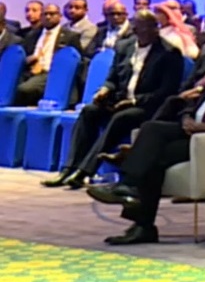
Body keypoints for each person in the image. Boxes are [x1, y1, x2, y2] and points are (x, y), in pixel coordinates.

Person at [87, 27, 205, 245]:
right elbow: (197, 100)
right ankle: (130, 189)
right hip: (192, 130)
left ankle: (139, 217)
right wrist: (187, 116)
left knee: (154, 158)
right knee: (151, 128)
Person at [43, 13, 185, 190]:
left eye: (146, 28)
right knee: (89, 111)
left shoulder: (169, 53)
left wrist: (134, 101)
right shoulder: (124, 46)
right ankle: (68, 168)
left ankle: (84, 171)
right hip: (119, 100)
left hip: (147, 106)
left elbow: (167, 91)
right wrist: (105, 89)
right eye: (137, 27)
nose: (140, 31)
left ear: (155, 29)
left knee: (122, 118)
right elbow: (112, 79)